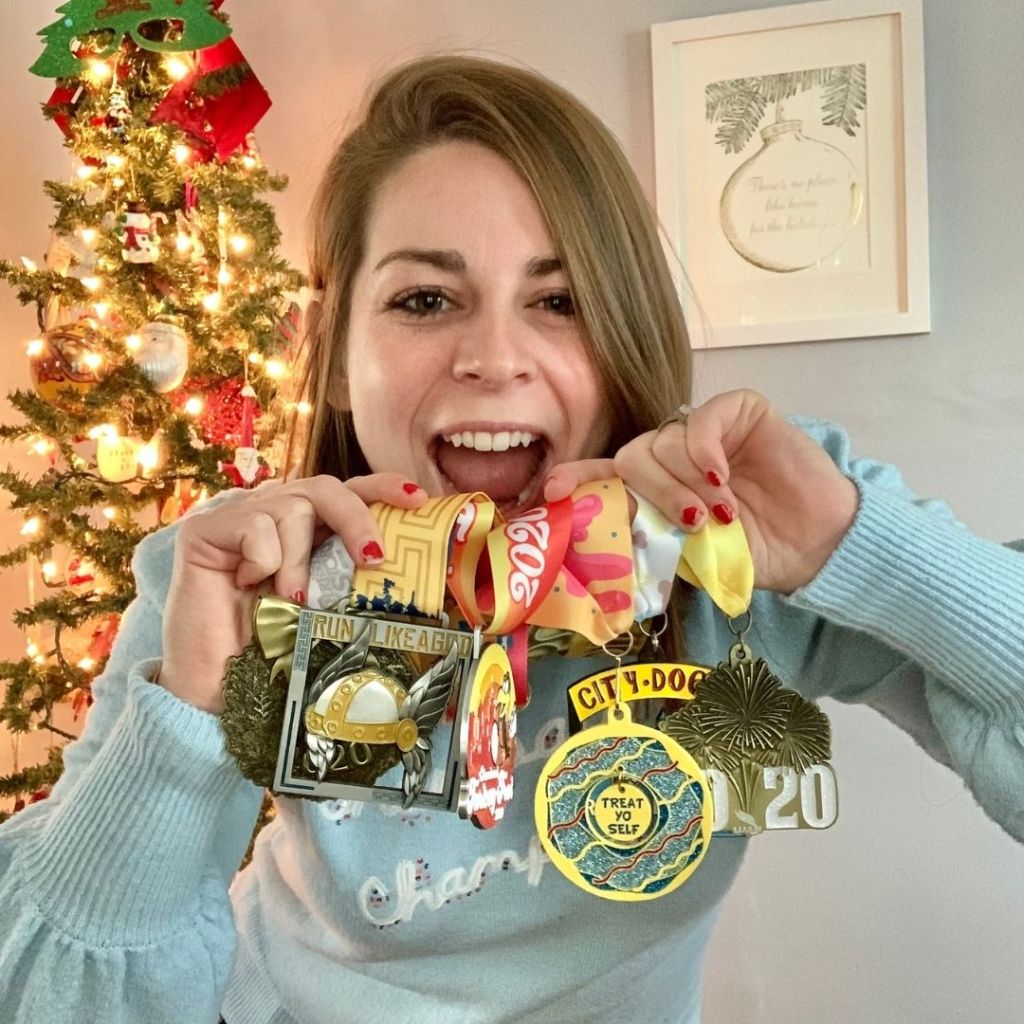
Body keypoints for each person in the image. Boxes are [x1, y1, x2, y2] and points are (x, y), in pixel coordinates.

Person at [0, 55, 1021, 1024]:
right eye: (425, 300)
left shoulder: (743, 533)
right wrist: (185, 723)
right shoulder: (230, 577)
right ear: (331, 345)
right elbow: (62, 999)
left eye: (559, 301)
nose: (494, 358)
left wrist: (865, 551)